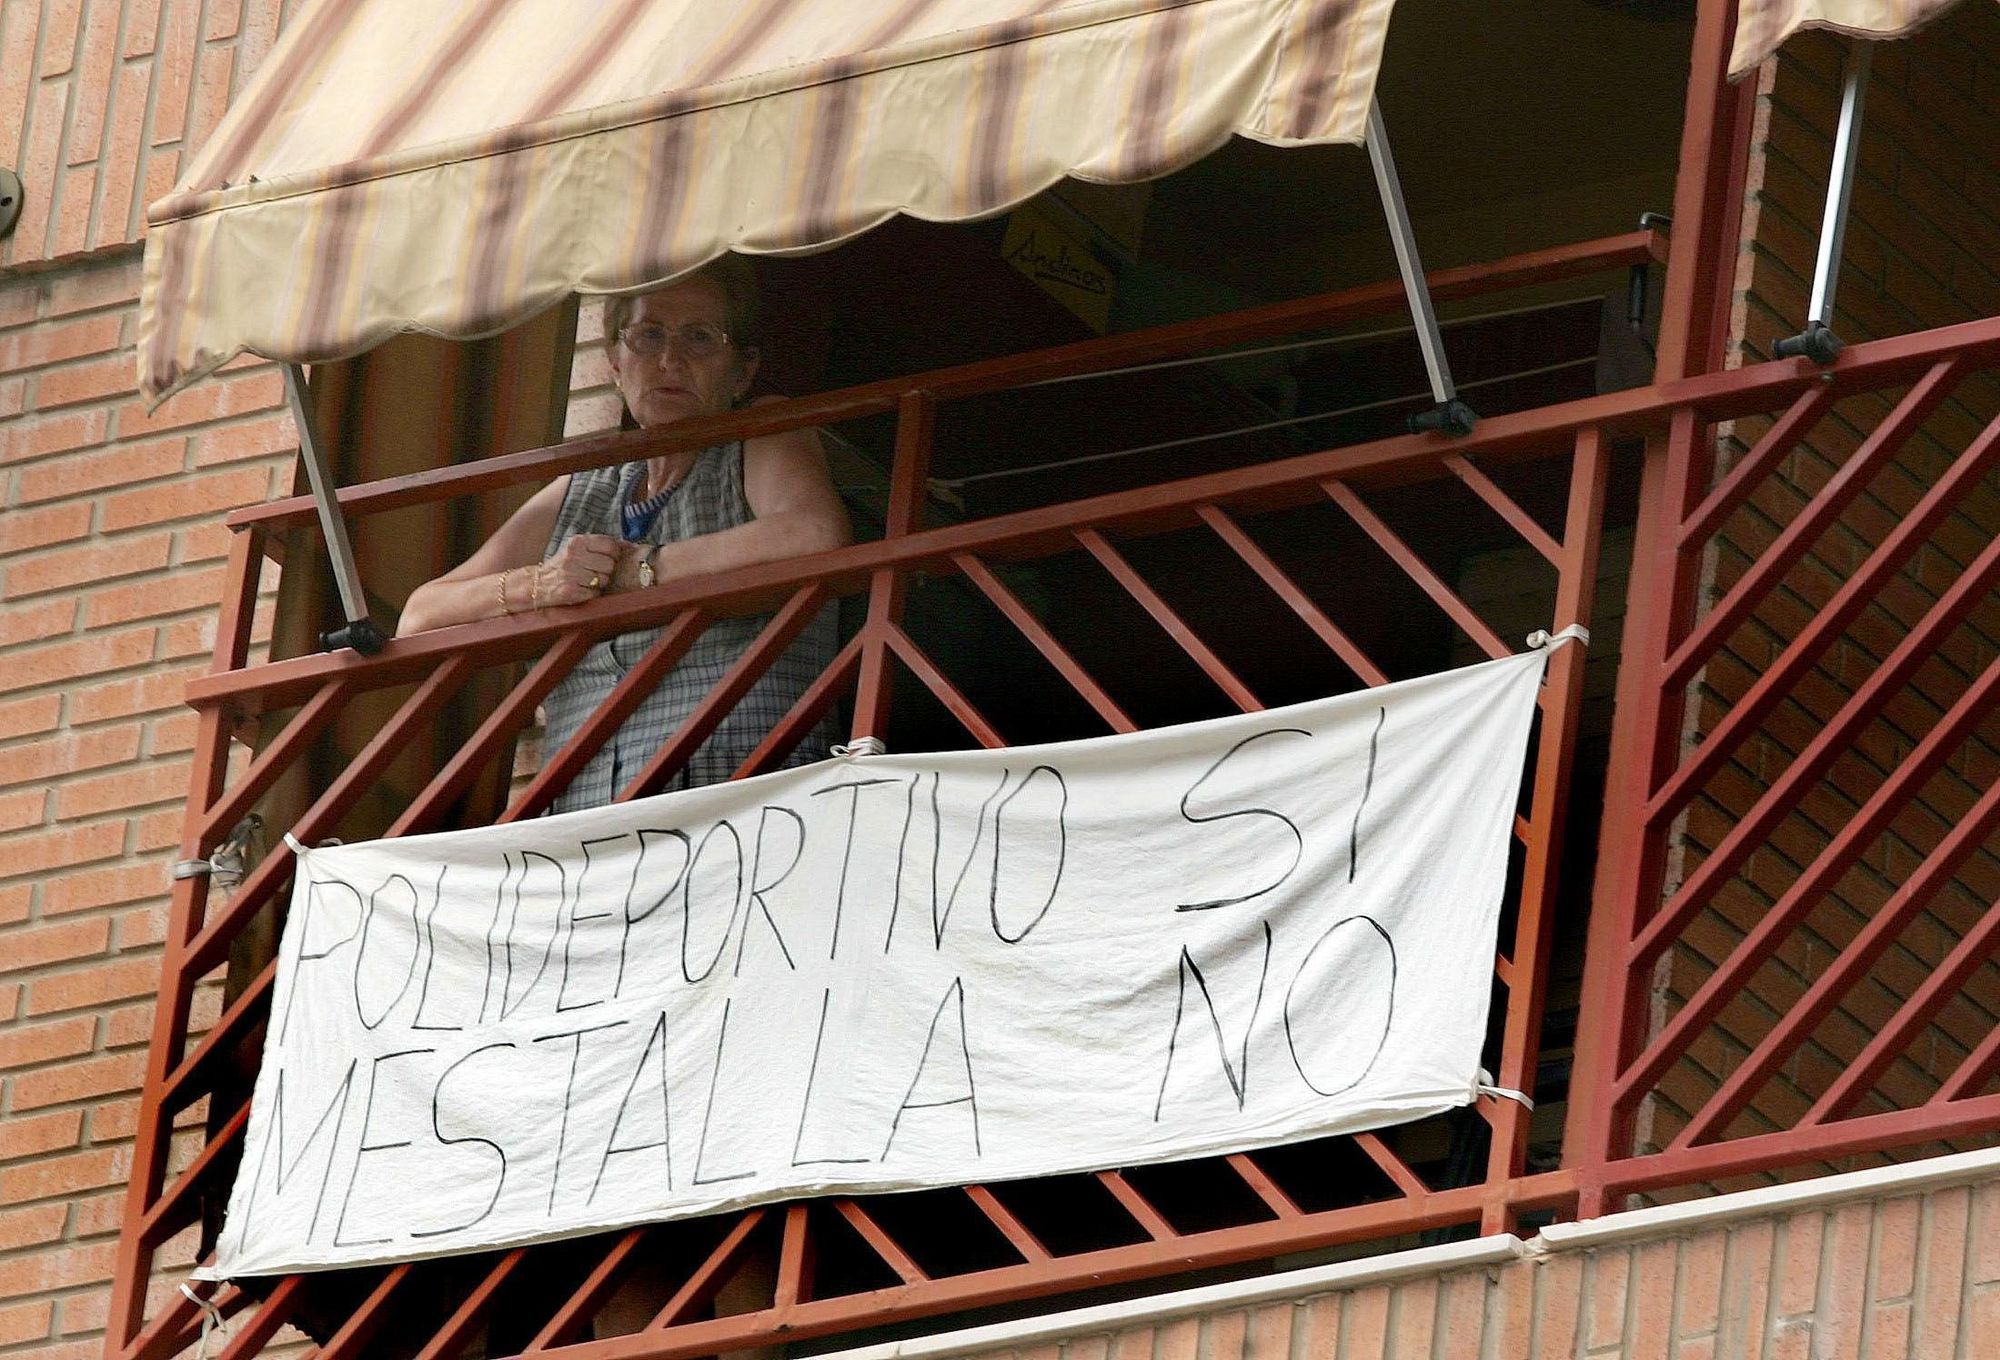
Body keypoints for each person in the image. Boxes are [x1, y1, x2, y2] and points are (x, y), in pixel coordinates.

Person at [398, 258, 851, 810]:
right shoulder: (583, 490)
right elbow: (420, 616)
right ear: (614, 362)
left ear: (742, 370)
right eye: (648, 336)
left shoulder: (759, 434)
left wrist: (641, 571)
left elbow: (813, 534)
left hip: (737, 794)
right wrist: (540, 585)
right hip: (584, 817)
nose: (670, 360)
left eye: (701, 338)